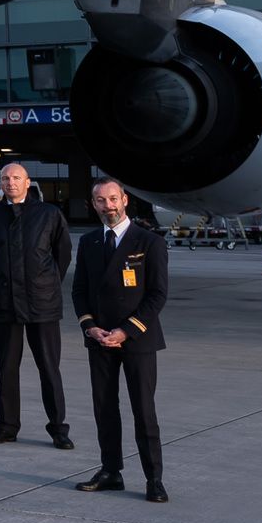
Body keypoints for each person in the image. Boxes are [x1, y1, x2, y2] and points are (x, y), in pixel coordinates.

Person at [73, 179, 169, 502]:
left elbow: (157, 295)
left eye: (113, 199)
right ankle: (110, 471)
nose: (108, 206)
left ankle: (154, 478)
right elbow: (79, 291)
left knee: (143, 410)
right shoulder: (88, 242)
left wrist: (126, 330)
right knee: (104, 408)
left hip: (138, 339)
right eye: (101, 201)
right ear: (93, 204)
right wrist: (91, 327)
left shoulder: (149, 242)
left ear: (125, 200)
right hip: (100, 339)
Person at [0, 161, 74, 450]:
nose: (11, 182)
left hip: (42, 304)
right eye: (6, 178)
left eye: (17, 178)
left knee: (49, 367)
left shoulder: (48, 214)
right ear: (1, 183)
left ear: (28, 183)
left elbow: (62, 255)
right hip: (5, 304)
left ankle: (58, 429)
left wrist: (45, 284)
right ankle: (6, 427)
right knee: (6, 367)